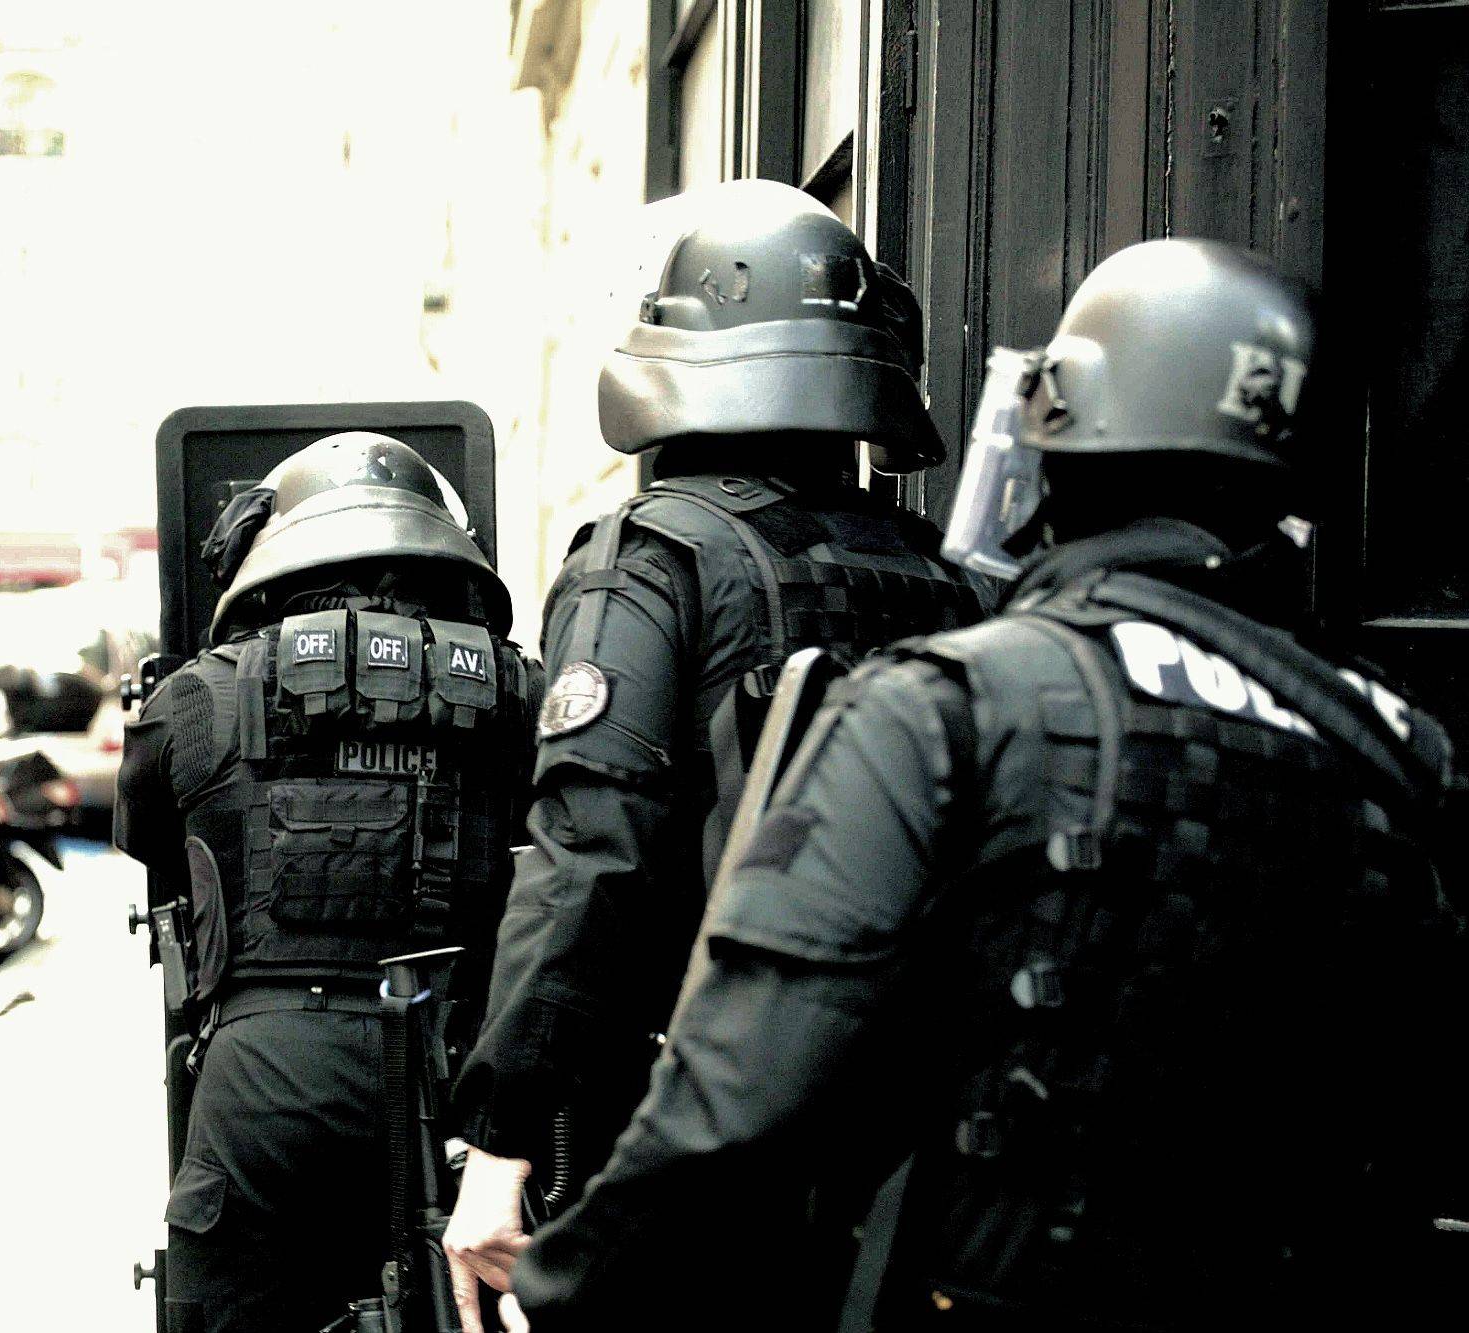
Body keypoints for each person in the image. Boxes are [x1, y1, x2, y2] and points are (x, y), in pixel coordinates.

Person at [498, 238, 1469, 1331]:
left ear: (1065, 432)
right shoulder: (1398, 750)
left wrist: (564, 1289)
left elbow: (736, 1101)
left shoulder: (957, 702)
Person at [444, 179, 985, 1323]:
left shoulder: (652, 552)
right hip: (907, 1145)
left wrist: (499, 1140)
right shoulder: (947, 577)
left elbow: (590, 851)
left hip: (698, 1129)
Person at [115, 432, 538, 1333]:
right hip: (460, 1070)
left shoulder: (195, 697)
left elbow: (151, 849)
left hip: (266, 1081)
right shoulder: (519, 690)